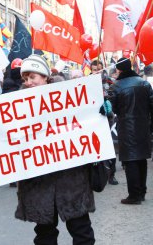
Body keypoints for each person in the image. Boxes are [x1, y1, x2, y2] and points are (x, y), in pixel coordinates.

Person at [14, 54, 96, 244]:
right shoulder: (15, 106)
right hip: (39, 183)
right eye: (25, 79)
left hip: (71, 179)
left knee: (81, 231)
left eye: (32, 77)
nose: (28, 82)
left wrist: (102, 112)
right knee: (45, 236)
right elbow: (5, 142)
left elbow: (91, 123)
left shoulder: (69, 99)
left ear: (45, 77)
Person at [108, 58, 153, 205]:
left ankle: (134, 195)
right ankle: (141, 192)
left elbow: (112, 108)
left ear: (119, 70)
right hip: (143, 126)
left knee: (130, 161)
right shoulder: (144, 83)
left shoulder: (116, 86)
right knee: (141, 159)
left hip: (126, 127)